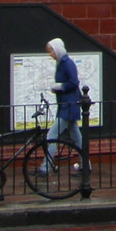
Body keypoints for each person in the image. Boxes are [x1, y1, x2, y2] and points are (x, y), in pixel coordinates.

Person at [43, 36, 83, 171]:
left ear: (58, 50)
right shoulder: (62, 63)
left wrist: (59, 87)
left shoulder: (67, 63)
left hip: (68, 106)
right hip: (66, 105)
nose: (50, 54)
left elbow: (73, 83)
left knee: (51, 135)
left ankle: (45, 167)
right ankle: (85, 166)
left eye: (51, 51)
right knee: (77, 138)